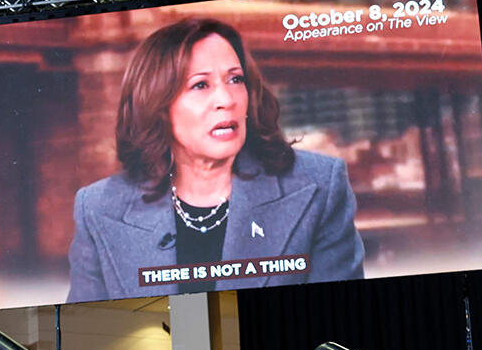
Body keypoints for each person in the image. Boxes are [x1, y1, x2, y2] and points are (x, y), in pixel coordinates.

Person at [67, 17, 364, 302]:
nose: (227, 99)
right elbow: (86, 336)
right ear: (157, 104)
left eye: (236, 79)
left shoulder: (319, 185)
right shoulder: (98, 208)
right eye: (200, 85)